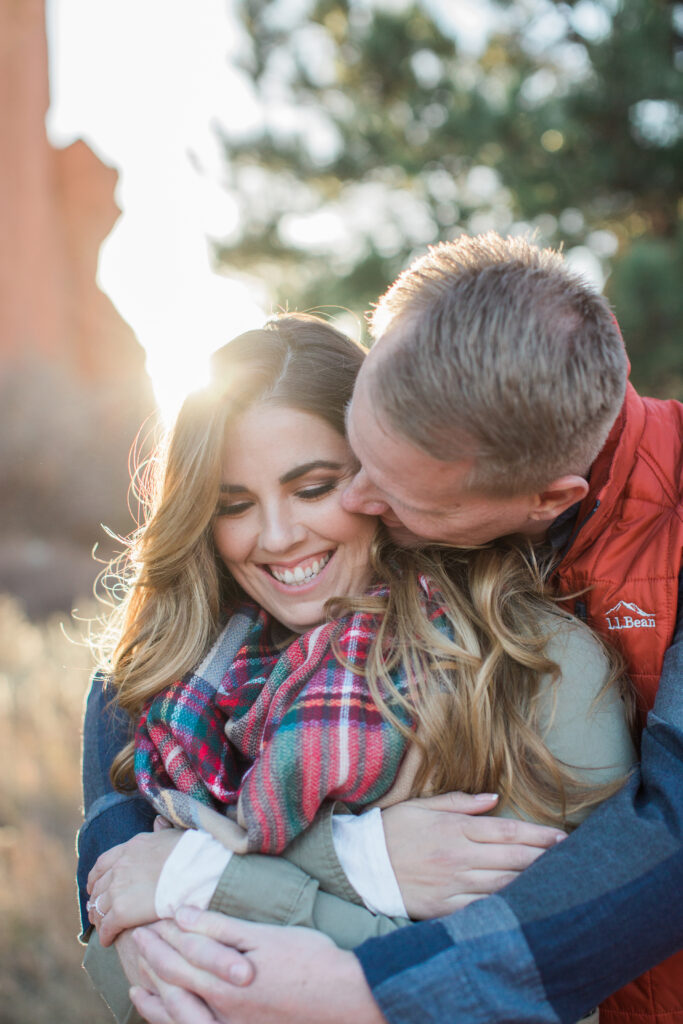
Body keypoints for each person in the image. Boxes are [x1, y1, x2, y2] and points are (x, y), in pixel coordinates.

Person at [115, 234, 683, 1024]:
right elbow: (125, 958)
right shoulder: (208, 661)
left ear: (543, 502)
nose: (361, 498)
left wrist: (208, 877)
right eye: (232, 503)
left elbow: (648, 855)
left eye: (323, 483)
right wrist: (112, 872)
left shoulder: (529, 658)